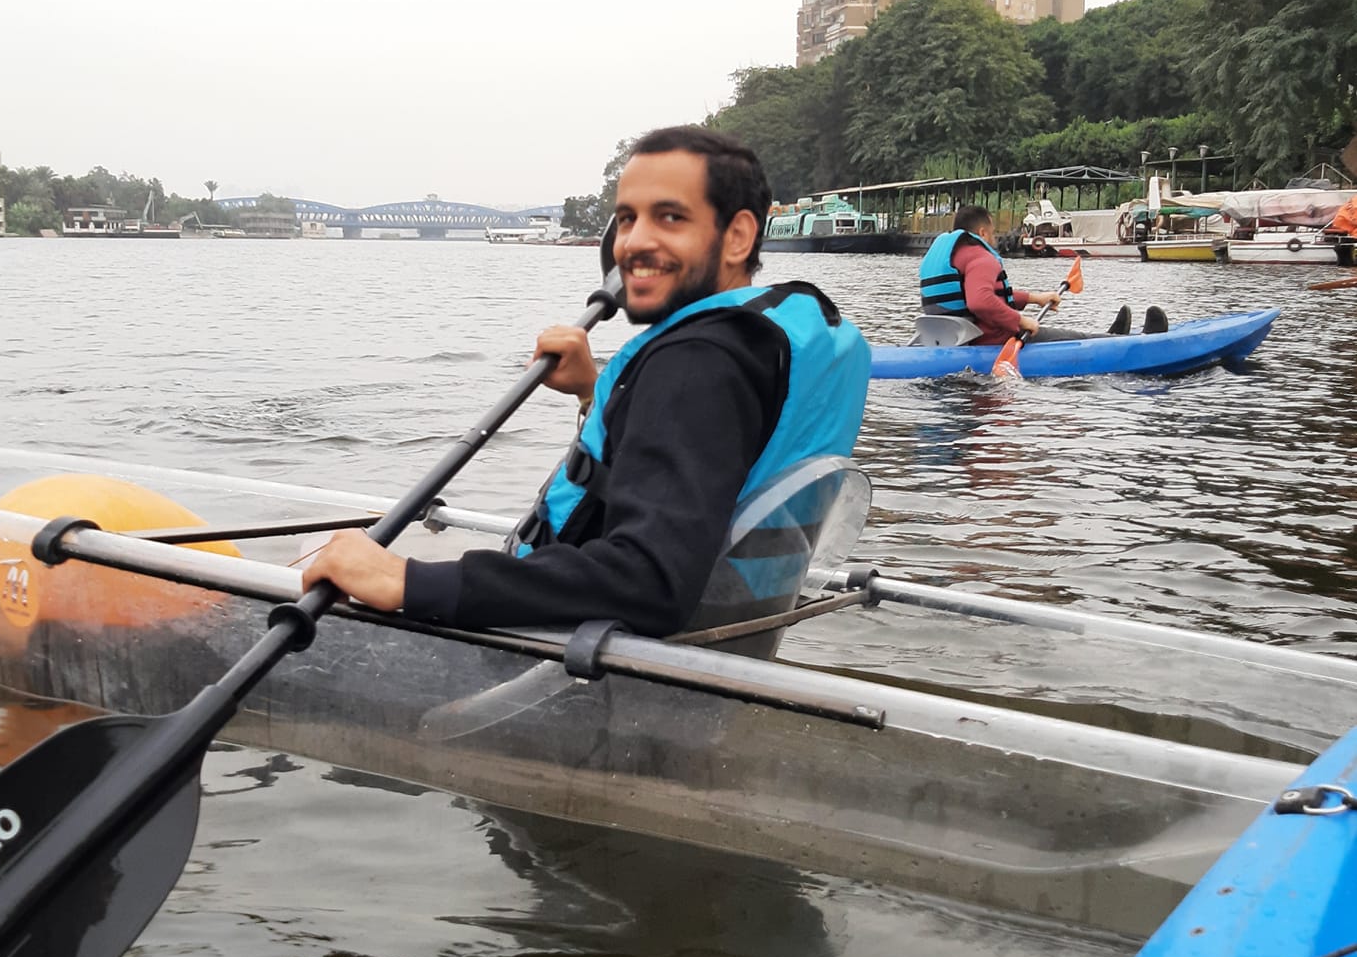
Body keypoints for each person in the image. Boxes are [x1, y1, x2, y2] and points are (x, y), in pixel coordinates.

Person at [301, 125, 870, 635]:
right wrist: (593, 391)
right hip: (724, 643)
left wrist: (410, 582)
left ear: (738, 236)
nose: (633, 243)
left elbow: (650, 580)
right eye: (627, 219)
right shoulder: (763, 338)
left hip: (589, 668)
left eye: (670, 218)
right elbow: (702, 462)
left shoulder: (695, 365)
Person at [919, 206, 1166, 343]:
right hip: (990, 340)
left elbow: (988, 296)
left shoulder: (950, 253)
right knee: (1074, 337)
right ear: (982, 232)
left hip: (955, 338)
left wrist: (1036, 298)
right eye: (993, 233)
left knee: (1066, 333)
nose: (994, 239)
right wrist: (1020, 321)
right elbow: (981, 301)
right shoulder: (981, 257)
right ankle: (1136, 341)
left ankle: (1113, 337)